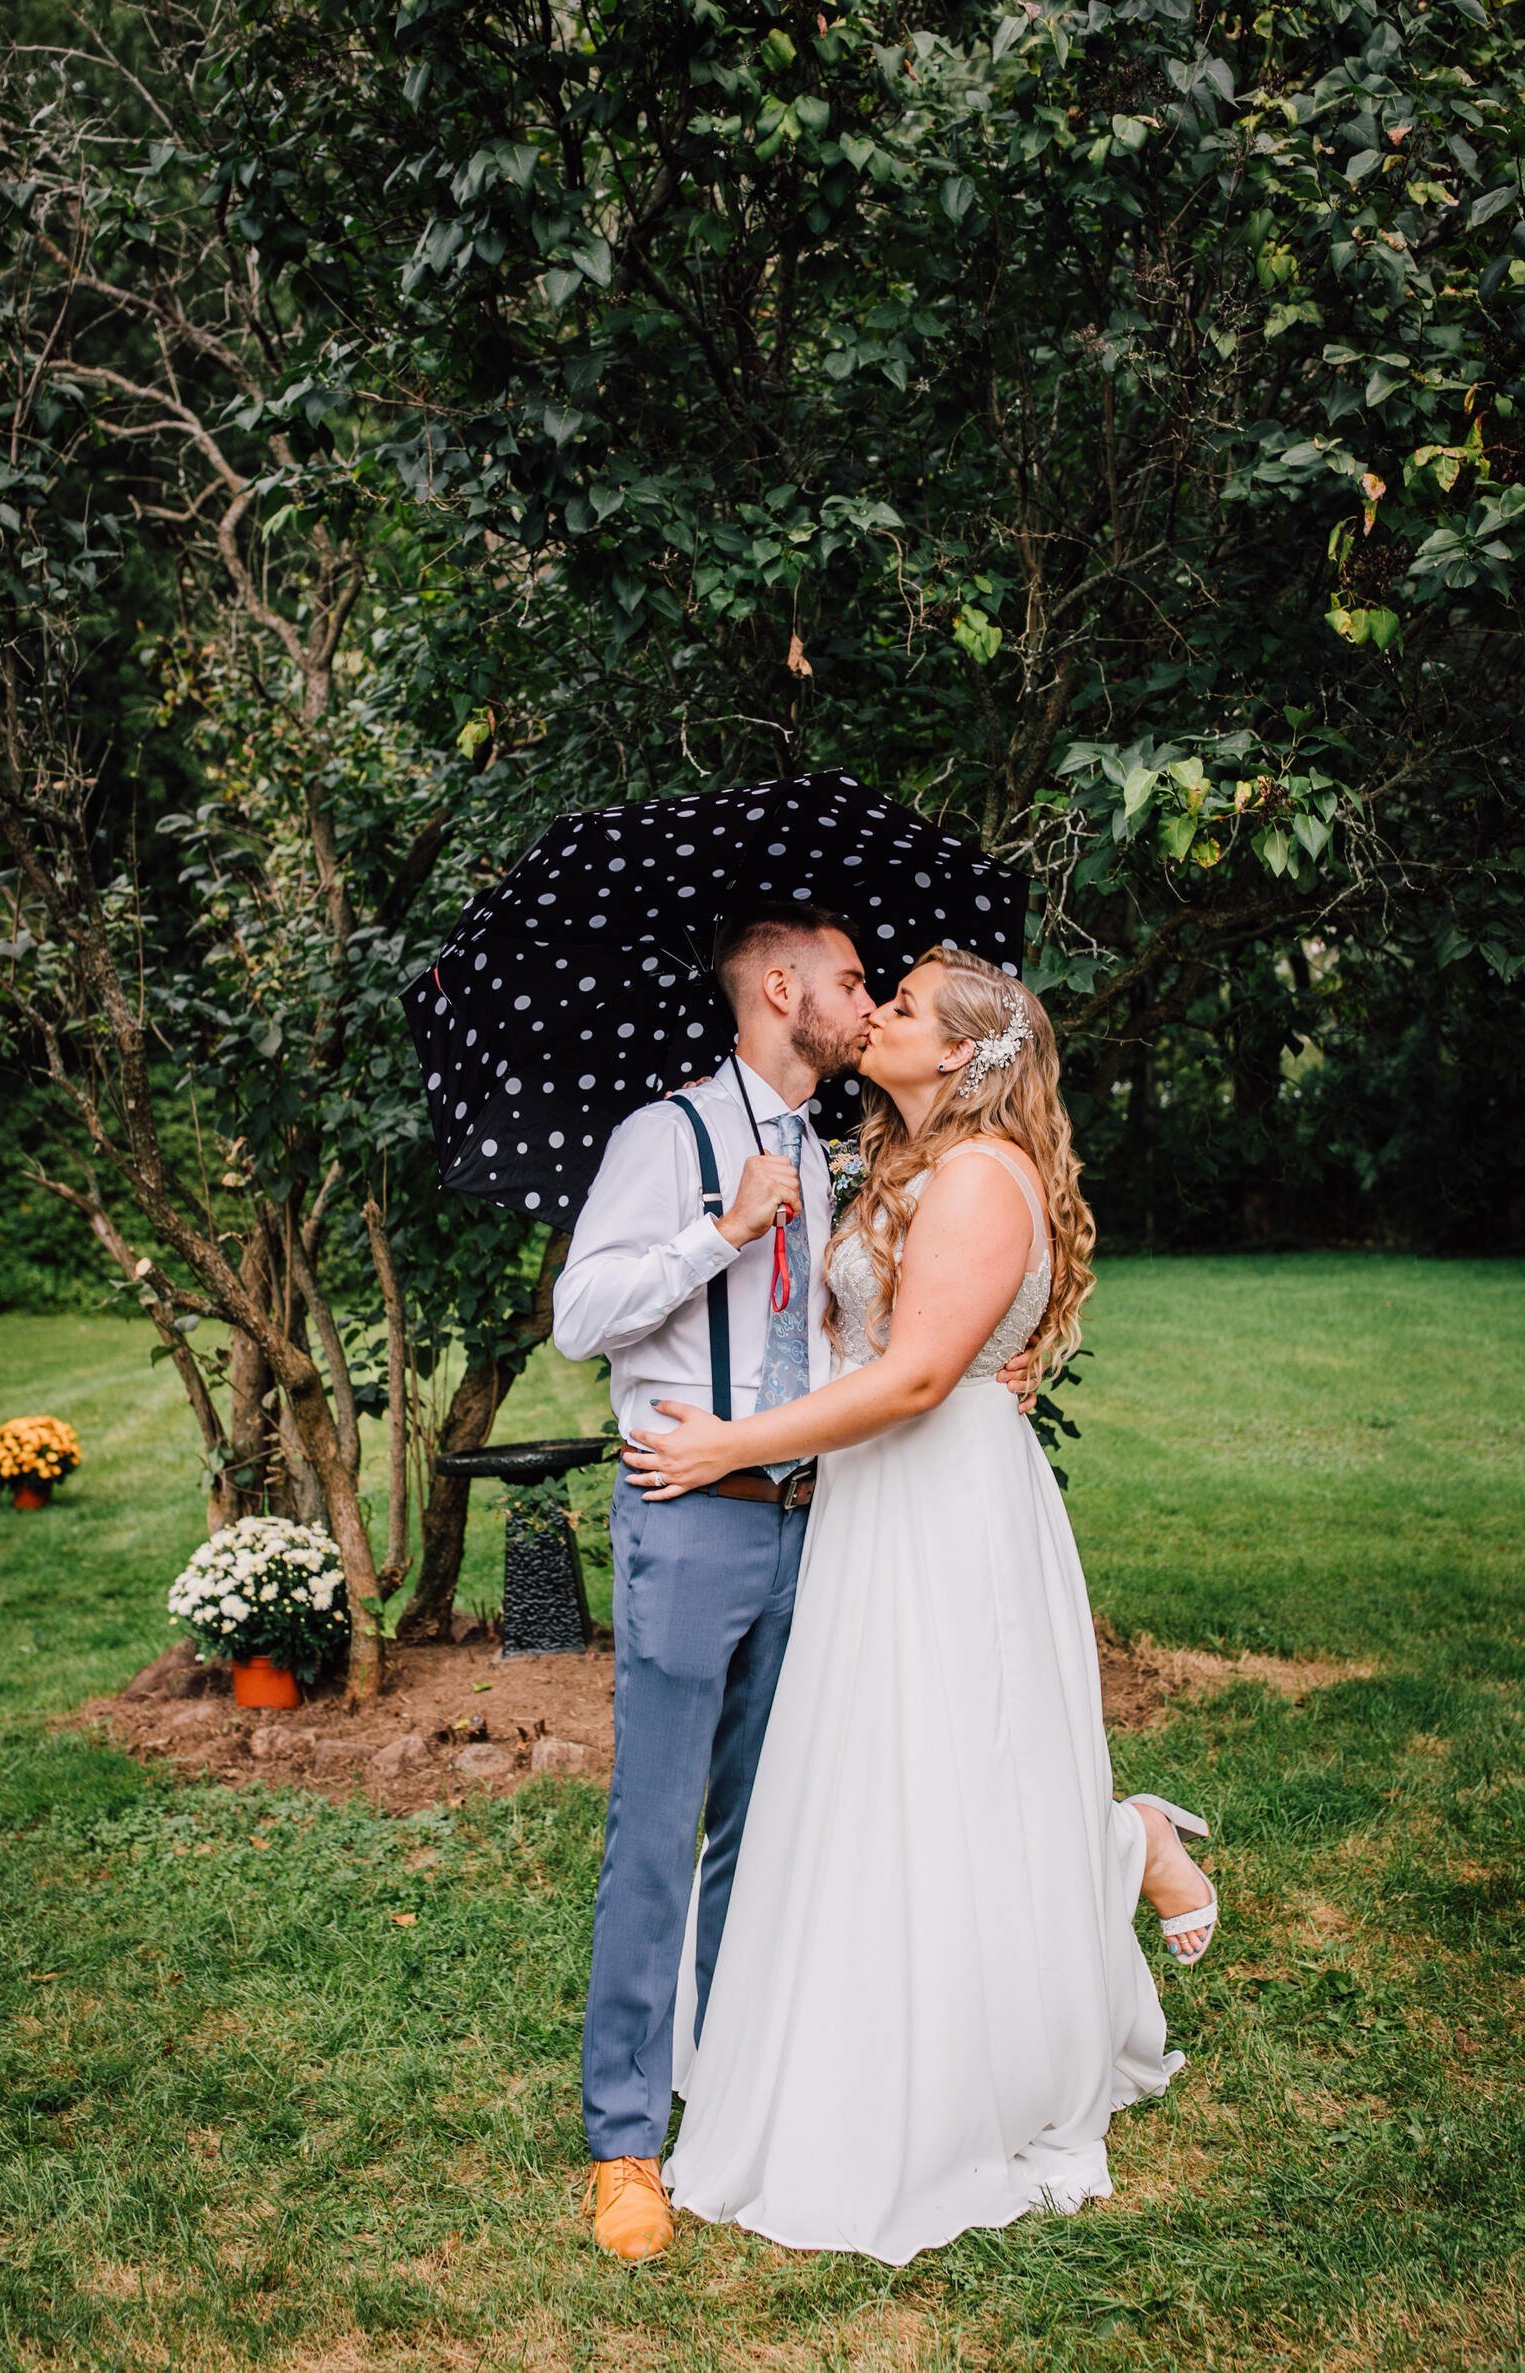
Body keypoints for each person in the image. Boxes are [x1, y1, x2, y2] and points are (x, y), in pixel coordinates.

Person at [622, 945, 1219, 2264]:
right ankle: (1110, 1850)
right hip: (874, 1501)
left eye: (895, 1007)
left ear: (957, 1053)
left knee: (950, 1765)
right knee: (889, 1773)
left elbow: (909, 1382)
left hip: (939, 1503)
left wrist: (732, 1442)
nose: (873, 1016)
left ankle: (1106, 1863)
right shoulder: (897, 1165)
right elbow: (877, 1349)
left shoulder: (976, 1177)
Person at [552, 906, 1054, 2263]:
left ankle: (733, 2083)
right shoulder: (668, 1137)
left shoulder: (837, 1160)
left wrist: (976, 1378)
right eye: (847, 980)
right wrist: (717, 1231)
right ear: (780, 987)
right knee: (656, 1832)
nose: (861, 998)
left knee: (772, 1833)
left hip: (821, 1523)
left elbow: (874, 1342)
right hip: (692, 1510)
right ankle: (624, 2141)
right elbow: (578, 1314)